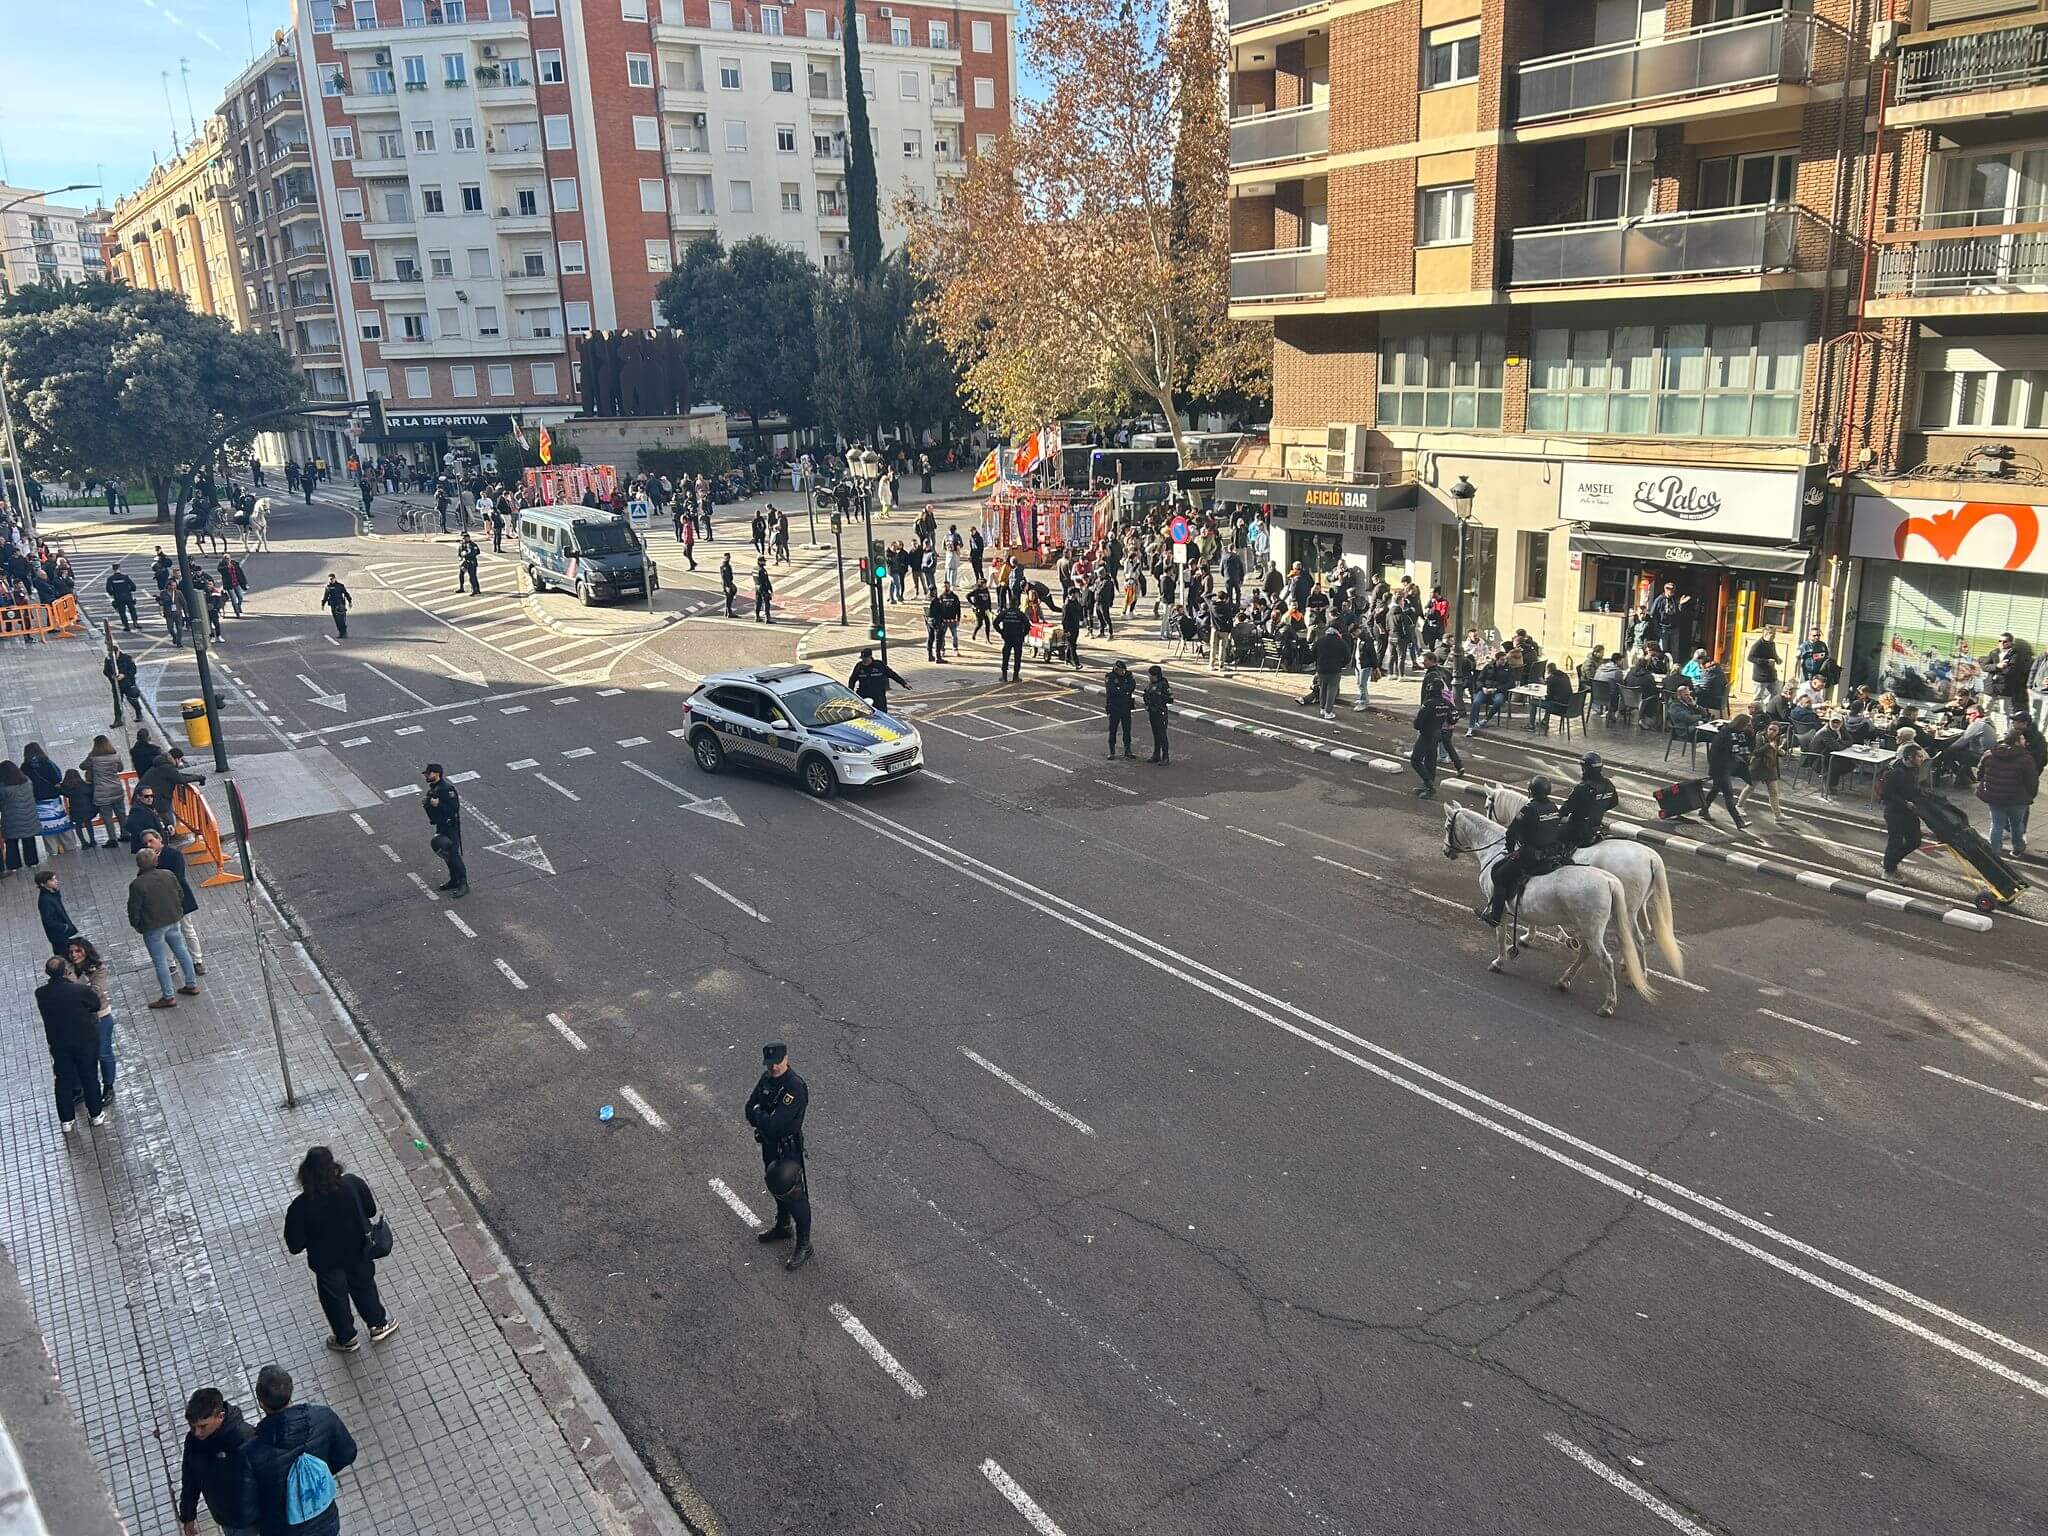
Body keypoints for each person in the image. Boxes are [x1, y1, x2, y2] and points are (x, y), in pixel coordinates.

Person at [283, 1147, 397, 1354]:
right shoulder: (352, 1184)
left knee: (334, 1300)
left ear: (305, 1173)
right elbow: (370, 1210)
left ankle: (346, 1339)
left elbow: (294, 1245)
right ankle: (378, 1325)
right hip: (358, 1252)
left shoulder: (299, 1207)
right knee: (364, 1287)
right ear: (334, 1166)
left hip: (325, 1262)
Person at [243, 1364, 360, 1536]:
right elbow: (347, 1453)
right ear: (290, 1393)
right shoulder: (323, 1416)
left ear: (261, 1403)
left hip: (282, 1528)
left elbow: (247, 1506)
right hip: (324, 1519)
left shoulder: (251, 1452)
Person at [745, 1041, 811, 1271]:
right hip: (769, 1145)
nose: (773, 1068)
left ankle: (804, 1244)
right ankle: (783, 1226)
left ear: (786, 1059)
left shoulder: (794, 1088)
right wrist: (761, 1116)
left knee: (794, 1195)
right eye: (769, 1064)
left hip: (788, 1149)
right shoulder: (767, 1079)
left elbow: (773, 1123)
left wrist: (759, 1115)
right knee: (775, 1185)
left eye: (777, 1063)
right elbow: (748, 1109)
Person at [1477, 777, 1568, 927]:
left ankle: (1494, 916)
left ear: (1531, 791)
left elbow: (1511, 832)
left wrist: (1511, 850)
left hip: (1530, 855)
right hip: (1551, 852)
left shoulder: (1528, 809)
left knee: (1498, 875)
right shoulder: (1553, 807)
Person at [177, 1387, 258, 1536]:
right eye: (192, 1427)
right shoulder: (193, 1442)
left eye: (202, 1426)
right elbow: (190, 1478)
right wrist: (188, 1515)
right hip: (225, 1518)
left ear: (220, 1416)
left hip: (254, 1518)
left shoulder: (245, 1438)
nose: (197, 1433)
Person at [37, 955, 106, 1132]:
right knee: (89, 1076)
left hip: (59, 1043)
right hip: (85, 1040)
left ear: (47, 973)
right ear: (66, 972)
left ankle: (66, 1120)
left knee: (63, 1080)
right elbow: (95, 1005)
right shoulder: (79, 990)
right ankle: (96, 1114)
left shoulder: (41, 993)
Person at [130, 847, 201, 1007]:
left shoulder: (137, 884)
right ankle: (191, 984)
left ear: (139, 865)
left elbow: (134, 909)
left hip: (153, 926)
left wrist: (137, 925)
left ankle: (168, 996)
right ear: (156, 861)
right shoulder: (168, 875)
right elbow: (180, 894)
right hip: (173, 919)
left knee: (160, 960)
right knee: (181, 950)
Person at [143, 828, 208, 975]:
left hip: (179, 899)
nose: (149, 845)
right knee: (166, 933)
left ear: (159, 839)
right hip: (161, 903)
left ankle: (197, 961)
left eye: (151, 841)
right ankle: (171, 963)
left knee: (187, 930)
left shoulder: (174, 854)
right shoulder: (147, 859)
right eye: (146, 843)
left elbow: (178, 877)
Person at [1978, 723, 2039, 859]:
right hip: (2017, 799)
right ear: (2017, 741)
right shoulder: (2026, 759)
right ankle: (2017, 848)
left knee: (1996, 824)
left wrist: (1986, 786)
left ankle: (1994, 852)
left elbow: (1980, 772)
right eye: (2022, 739)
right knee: (2017, 824)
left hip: (1995, 798)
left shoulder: (1991, 754)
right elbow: (2032, 781)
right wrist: (2030, 795)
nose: (2025, 741)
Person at [1881, 740, 1929, 879]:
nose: (1922, 759)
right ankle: (1889, 870)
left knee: (1915, 841)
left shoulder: (1912, 769)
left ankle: (1890, 861)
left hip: (1909, 812)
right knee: (1895, 841)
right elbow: (1887, 794)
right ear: (1909, 758)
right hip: (1895, 812)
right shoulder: (1896, 773)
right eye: (1919, 756)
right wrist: (1905, 803)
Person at [1702, 712, 1753, 831]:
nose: (1749, 727)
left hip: (1726, 767)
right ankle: (1739, 822)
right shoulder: (1725, 735)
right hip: (1720, 767)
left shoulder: (1738, 734)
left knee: (1715, 789)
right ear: (1741, 724)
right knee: (1728, 793)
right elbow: (1719, 753)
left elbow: (1745, 747)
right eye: (1747, 725)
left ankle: (1703, 810)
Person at [422, 764, 467, 896]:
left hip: (450, 826)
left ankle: (463, 883)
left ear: (437, 774)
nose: (426, 776)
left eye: (428, 773)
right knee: (446, 854)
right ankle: (454, 880)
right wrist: (428, 804)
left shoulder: (446, 789)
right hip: (441, 826)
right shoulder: (433, 790)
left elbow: (454, 808)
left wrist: (438, 805)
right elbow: (433, 813)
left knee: (453, 855)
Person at [1559, 753, 1617, 850]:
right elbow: (1614, 802)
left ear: (1586, 769)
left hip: (1578, 830)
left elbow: (1566, 808)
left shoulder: (1583, 788)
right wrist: (1599, 808)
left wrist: (1556, 816)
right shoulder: (1608, 784)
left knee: (1555, 835)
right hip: (1596, 826)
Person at [0, 760, 39, 874]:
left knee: (11, 842)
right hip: (30, 818)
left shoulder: (3, 788)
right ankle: (32, 861)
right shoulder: (27, 781)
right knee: (29, 839)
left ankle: (14, 864)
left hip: (12, 820)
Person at [848, 648, 909, 714]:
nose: (864, 660)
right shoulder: (859, 666)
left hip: (878, 695)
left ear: (870, 657)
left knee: (882, 713)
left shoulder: (879, 665)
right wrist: (850, 692)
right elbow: (852, 680)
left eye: (865, 658)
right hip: (864, 694)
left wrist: (904, 683)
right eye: (862, 658)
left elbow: (892, 674)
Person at [1310, 622, 1348, 720]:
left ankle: (1322, 708)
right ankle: (1328, 711)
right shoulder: (1341, 642)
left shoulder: (1320, 640)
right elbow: (1347, 656)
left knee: (1323, 688)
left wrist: (1318, 662)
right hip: (1335, 669)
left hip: (1322, 669)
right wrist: (1341, 664)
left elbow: (1313, 654)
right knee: (1332, 690)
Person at [36, 869, 79, 955]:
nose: (56, 881)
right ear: (43, 884)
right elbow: (48, 920)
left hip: (61, 934)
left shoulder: (50, 894)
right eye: (52, 880)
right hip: (59, 936)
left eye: (55, 879)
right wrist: (64, 927)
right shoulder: (45, 900)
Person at [1104, 659, 1137, 759]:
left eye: (1123, 670)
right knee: (1113, 730)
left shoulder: (1128, 675)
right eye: (1120, 670)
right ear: (1116, 669)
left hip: (1126, 706)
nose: (1122, 673)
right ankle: (1112, 752)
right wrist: (1123, 690)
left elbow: (1132, 686)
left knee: (1127, 730)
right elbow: (1111, 690)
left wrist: (1120, 689)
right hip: (1114, 707)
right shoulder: (1110, 677)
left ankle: (1128, 750)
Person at [1143, 665, 1173, 764]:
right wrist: (1147, 704)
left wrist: (1160, 695)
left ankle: (1165, 757)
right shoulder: (1150, 684)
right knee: (1156, 734)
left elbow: (1170, 699)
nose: (1150, 677)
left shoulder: (1163, 684)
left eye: (1152, 676)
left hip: (1160, 711)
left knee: (1162, 735)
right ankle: (1156, 755)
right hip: (1152, 711)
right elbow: (1146, 694)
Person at [995, 601, 1030, 683]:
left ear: (1009, 604)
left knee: (1006, 657)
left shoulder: (1005, 613)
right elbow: (1028, 626)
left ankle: (1004, 676)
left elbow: (995, 622)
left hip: (1007, 637)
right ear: (1017, 605)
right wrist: (1022, 634)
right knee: (1017, 657)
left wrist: (1001, 632)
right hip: (1018, 638)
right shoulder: (1020, 614)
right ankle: (1015, 676)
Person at [106, 564, 139, 631]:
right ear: (119, 568)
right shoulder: (125, 577)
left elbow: (108, 590)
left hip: (118, 598)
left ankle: (126, 626)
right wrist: (129, 590)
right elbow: (133, 587)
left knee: (122, 612)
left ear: (113, 569)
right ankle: (135, 623)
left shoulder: (110, 579)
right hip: (128, 596)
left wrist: (114, 593)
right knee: (132, 610)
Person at [320, 574, 351, 639]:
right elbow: (325, 596)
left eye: (331, 579)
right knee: (336, 620)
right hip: (333, 606)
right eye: (329, 579)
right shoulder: (328, 587)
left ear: (335, 578)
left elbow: (346, 593)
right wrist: (323, 604)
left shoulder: (340, 586)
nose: (330, 580)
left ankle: (344, 632)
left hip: (340, 605)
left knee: (341, 620)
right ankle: (341, 633)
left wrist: (349, 601)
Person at [753, 558, 774, 623]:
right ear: (759, 562)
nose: (765, 562)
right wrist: (770, 590)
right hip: (763, 588)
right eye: (763, 561)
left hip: (757, 587)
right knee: (766, 602)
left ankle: (757, 617)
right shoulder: (762, 570)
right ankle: (767, 618)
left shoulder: (754, 569)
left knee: (758, 602)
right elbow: (766, 581)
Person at [720, 552, 737, 618]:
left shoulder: (724, 565)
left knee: (728, 598)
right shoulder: (726, 566)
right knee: (729, 598)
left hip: (726, 584)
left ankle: (727, 612)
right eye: (727, 557)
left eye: (729, 557)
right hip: (727, 584)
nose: (728, 559)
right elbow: (726, 578)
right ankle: (729, 612)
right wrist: (729, 586)